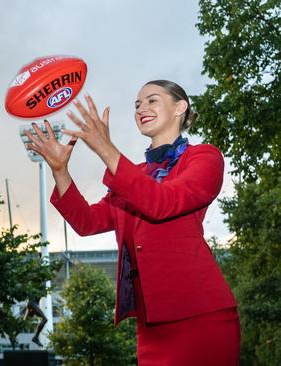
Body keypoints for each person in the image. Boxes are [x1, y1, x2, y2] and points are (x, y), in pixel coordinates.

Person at [24, 80, 240, 365]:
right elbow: (87, 222)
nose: (141, 109)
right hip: (151, 326)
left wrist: (106, 149)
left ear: (180, 107)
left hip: (199, 317)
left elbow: (163, 203)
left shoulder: (204, 157)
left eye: (152, 100)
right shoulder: (131, 176)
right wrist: (60, 171)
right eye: (137, 104)